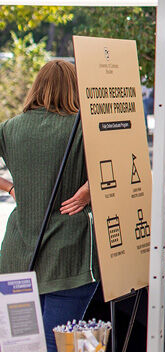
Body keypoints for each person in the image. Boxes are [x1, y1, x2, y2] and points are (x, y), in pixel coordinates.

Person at [0, 60, 98, 352]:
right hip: (71, 257)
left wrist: (10, 187)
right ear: (74, 88)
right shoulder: (83, 128)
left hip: (18, 257)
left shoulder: (10, 128)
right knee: (60, 346)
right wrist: (89, 191)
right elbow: (121, 169)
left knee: (22, 346)